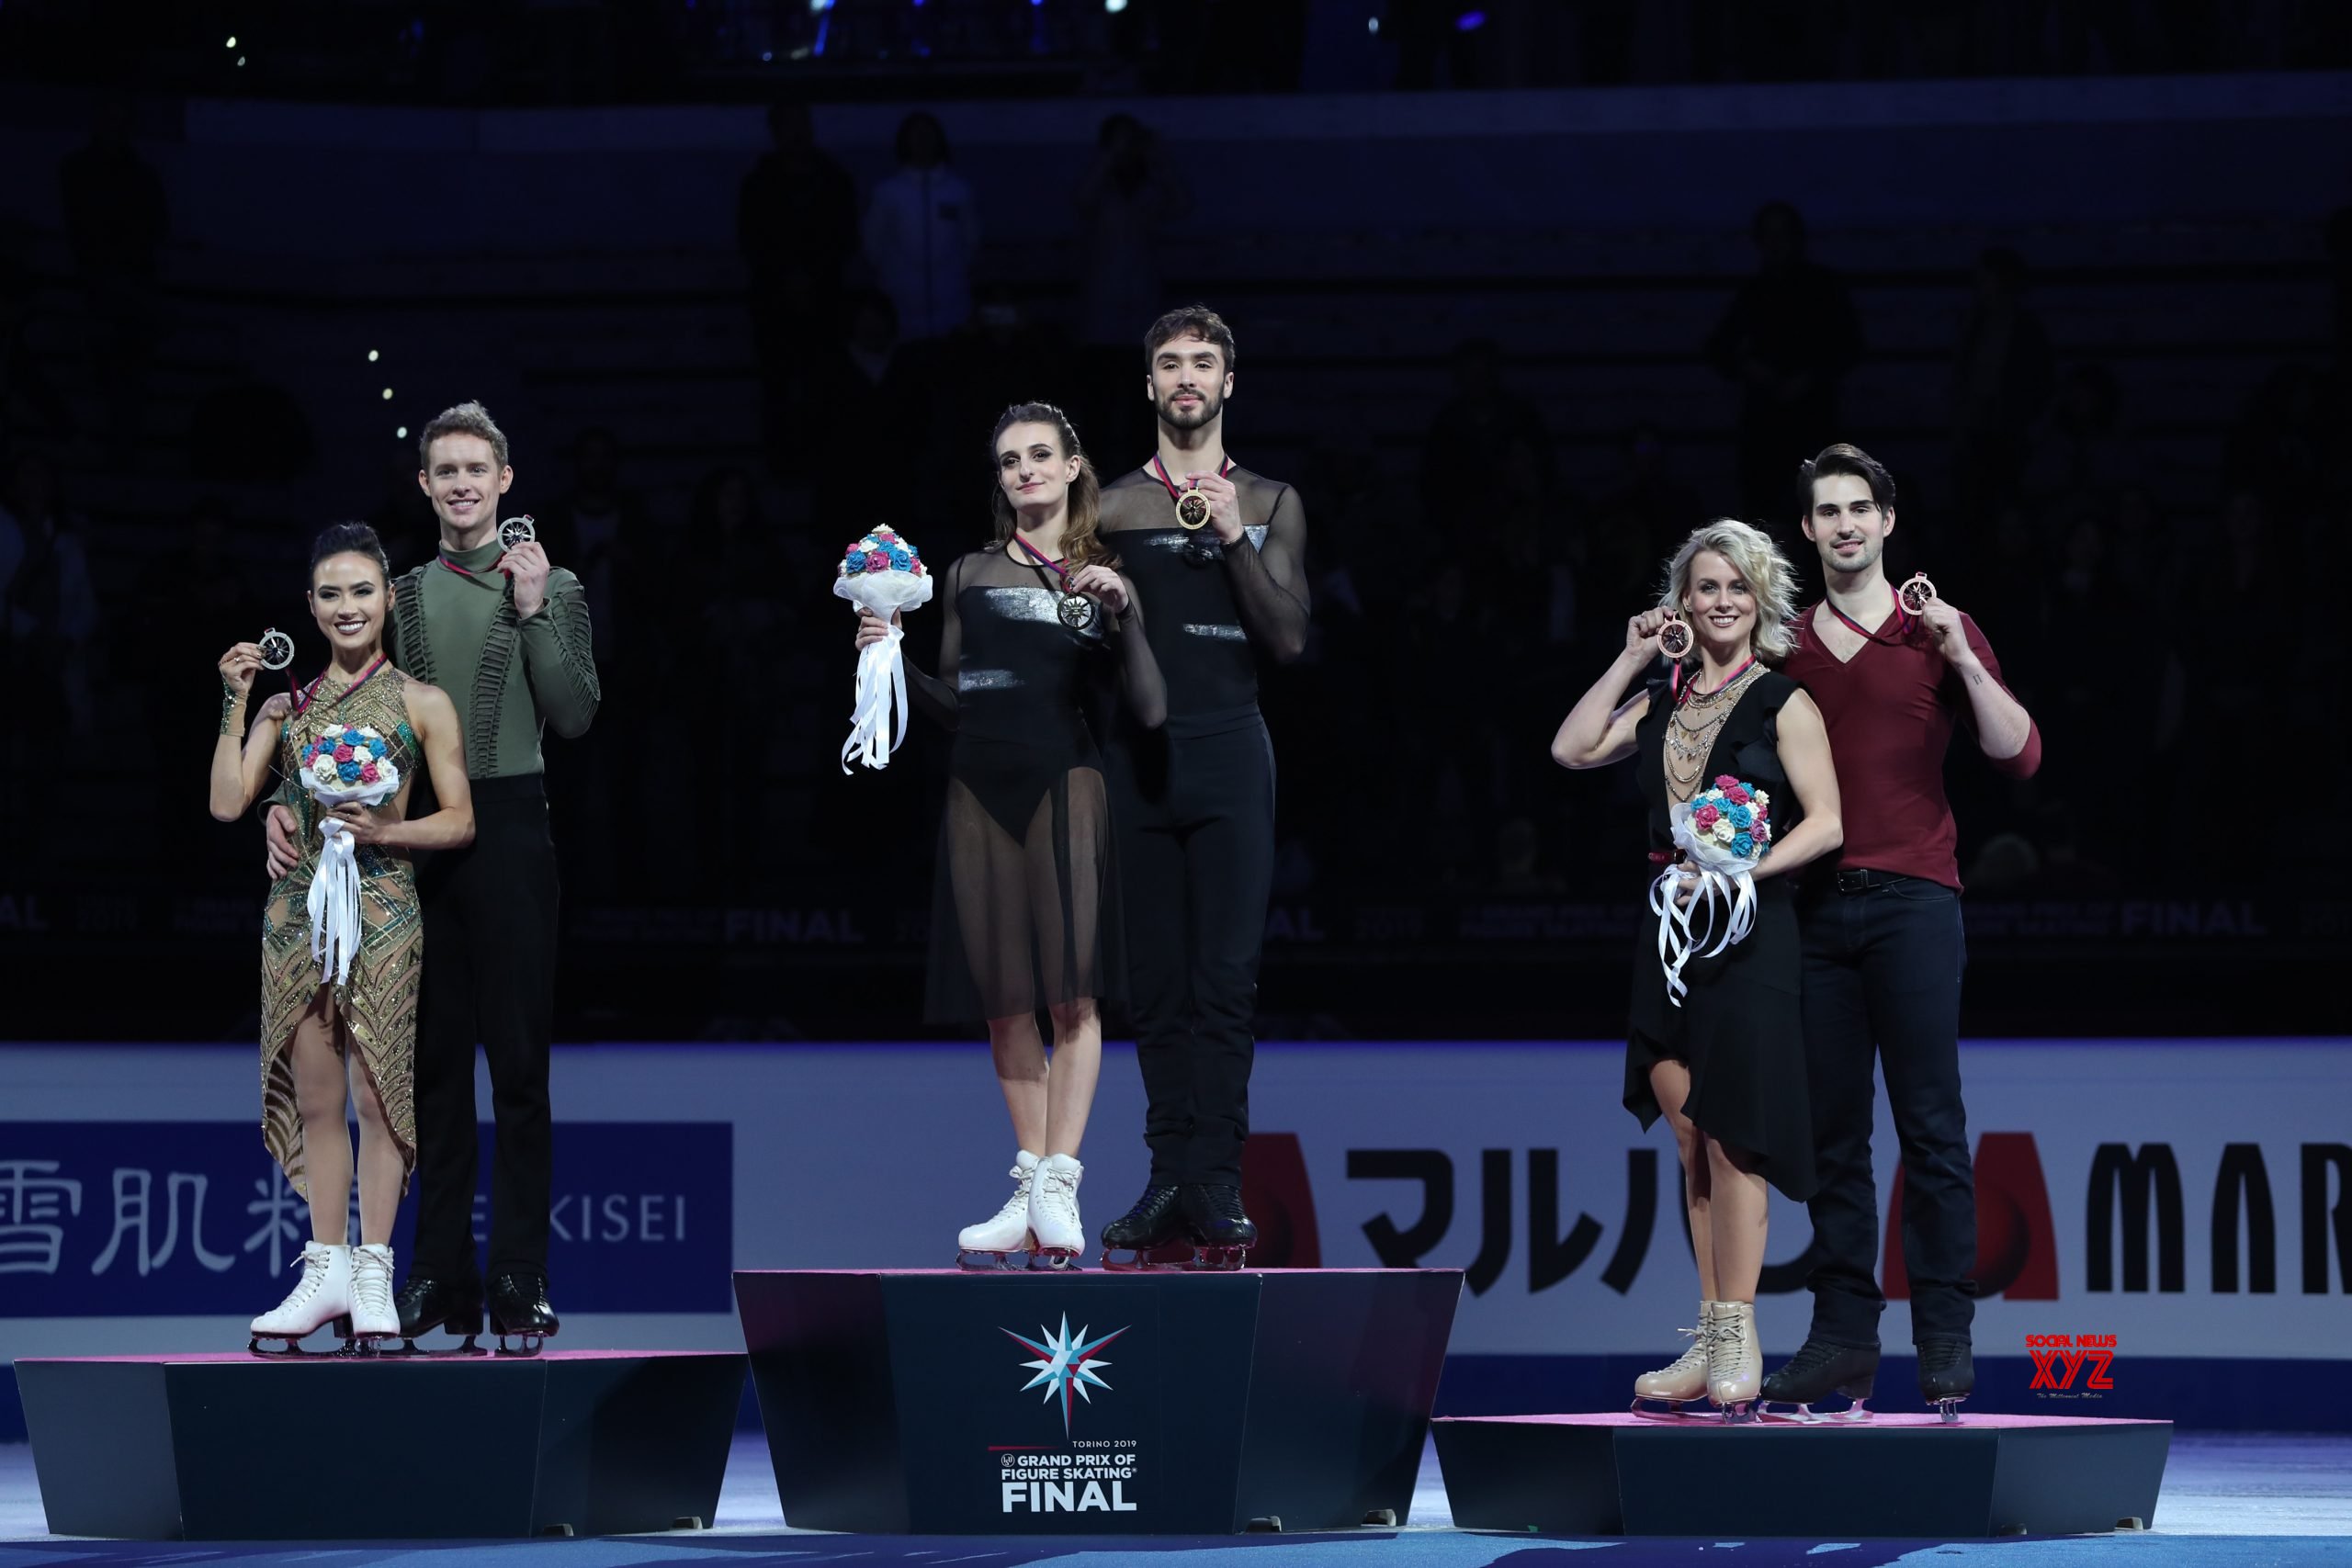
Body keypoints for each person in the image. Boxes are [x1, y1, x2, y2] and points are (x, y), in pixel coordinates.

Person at [265, 402, 600, 1354]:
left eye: (474, 469)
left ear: (504, 480)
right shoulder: (400, 594)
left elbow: (573, 715)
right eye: (442, 471)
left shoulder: (554, 585)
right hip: (406, 836)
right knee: (431, 1071)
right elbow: (343, 708)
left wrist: (534, 612)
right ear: (424, 485)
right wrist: (282, 799)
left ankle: (519, 1275)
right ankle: (434, 1273)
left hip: (509, 834)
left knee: (520, 1072)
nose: (459, 484)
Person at [1767, 443, 2042, 1419]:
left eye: (1859, 509)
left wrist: (1961, 649)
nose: (1843, 524)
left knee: (1931, 1129)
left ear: (1887, 521)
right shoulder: (1782, 643)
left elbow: (2018, 755)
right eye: (1825, 511)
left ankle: (1944, 1338)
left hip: (1917, 901)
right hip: (1807, 912)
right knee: (1834, 1137)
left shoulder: (1936, 630)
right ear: (1805, 531)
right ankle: (1842, 1337)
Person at [856, 402, 1166, 1267]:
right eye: (1007, 460)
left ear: (1073, 467)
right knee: (1003, 1004)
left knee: (1072, 997)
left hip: (1066, 783)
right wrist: (890, 658)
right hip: (975, 790)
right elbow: (959, 704)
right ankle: (1030, 1189)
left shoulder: (1106, 570)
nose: (1024, 470)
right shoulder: (964, 573)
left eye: (1039, 455)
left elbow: (1149, 707)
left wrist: (1127, 612)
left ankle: (1062, 1176)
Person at [1551, 519, 1844, 1417]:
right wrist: (1630, 657)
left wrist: (1737, 874)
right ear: (1680, 602)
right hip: (1667, 932)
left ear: (1761, 601)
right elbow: (1569, 748)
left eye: (1736, 588)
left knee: (1733, 1134)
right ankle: (1710, 1327)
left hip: (1751, 932)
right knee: (1686, 1138)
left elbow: (1827, 822)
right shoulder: (1664, 700)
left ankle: (1739, 1337)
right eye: (1704, 587)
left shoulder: (1783, 701)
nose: (1720, 603)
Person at [212, 523, 474, 1351]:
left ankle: (372, 1271)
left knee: (375, 1092)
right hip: (296, 916)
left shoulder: (420, 701)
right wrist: (236, 700)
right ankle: (322, 1270)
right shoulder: (291, 706)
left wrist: (382, 832)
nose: (347, 606)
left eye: (362, 590)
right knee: (320, 1097)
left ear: (388, 599)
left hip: (384, 906)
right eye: (331, 594)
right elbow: (227, 801)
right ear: (313, 608)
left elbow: (461, 820)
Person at [1092, 305, 1310, 1266]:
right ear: (1148, 386)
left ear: (1228, 383)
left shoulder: (1268, 500)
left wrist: (1232, 536)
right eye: (1170, 364)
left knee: (1224, 981)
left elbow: (1290, 639)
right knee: (1154, 985)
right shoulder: (1104, 505)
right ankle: (1165, 1175)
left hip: (1230, 751)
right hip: (1135, 759)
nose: (1186, 378)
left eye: (1203, 364)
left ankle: (1215, 1179)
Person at [1704, 202, 1862, 524]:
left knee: (1822, 517)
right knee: (1766, 520)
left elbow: (1850, 347)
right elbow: (1718, 350)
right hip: (1765, 431)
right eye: (1770, 235)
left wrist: (1810, 376)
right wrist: (1750, 369)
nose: (1777, 243)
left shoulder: (1823, 289)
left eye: (1783, 234)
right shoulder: (1753, 293)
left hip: (1813, 424)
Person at [861, 111, 980, 343]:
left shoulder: (959, 191)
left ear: (939, 140)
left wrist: (949, 279)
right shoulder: (887, 193)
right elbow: (872, 246)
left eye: (928, 134)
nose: (923, 140)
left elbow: (971, 242)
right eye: (916, 135)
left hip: (952, 313)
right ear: (904, 142)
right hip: (901, 316)